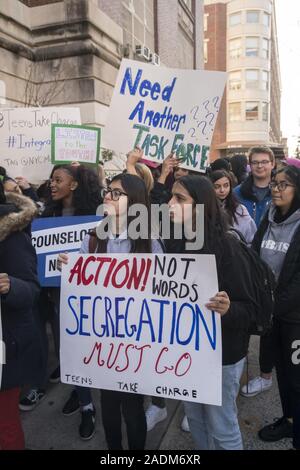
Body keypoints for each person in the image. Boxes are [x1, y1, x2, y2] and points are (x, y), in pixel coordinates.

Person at [59, 173, 164, 449]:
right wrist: (68, 269)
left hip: (136, 343)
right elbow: (80, 288)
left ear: (135, 202)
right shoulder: (92, 240)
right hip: (102, 343)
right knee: (108, 406)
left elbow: (164, 293)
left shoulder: (150, 243)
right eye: (108, 190)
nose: (108, 196)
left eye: (117, 193)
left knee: (132, 409)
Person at [166, 175, 257, 450]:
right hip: (186, 351)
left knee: (222, 426)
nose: (170, 204)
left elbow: (250, 310)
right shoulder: (173, 241)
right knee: (195, 418)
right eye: (171, 196)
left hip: (222, 355)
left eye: (180, 199)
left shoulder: (227, 247)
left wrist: (228, 309)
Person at [20, 164, 103, 441]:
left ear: (75, 185)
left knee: (84, 350)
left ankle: (87, 406)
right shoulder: (44, 216)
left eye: (58, 180)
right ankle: (81, 395)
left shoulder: (95, 217)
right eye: (51, 180)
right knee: (68, 352)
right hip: (56, 297)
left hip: (87, 298)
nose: (52, 184)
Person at [250, 166, 300, 449]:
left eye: (284, 185)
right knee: (282, 373)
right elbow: (255, 259)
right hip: (272, 315)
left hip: (294, 318)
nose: (277, 189)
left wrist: (272, 308)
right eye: (275, 184)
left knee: (297, 380)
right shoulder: (267, 220)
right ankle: (289, 421)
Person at [0, 180, 41, 449]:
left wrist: (10, 286)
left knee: (6, 426)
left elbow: (31, 289)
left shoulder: (11, 237)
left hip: (4, 349)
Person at [234, 146, 275, 397]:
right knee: (245, 320)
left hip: (272, 263)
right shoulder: (238, 193)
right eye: (255, 162)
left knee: (271, 322)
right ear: (250, 166)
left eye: (264, 162)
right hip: (244, 264)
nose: (260, 166)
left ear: (272, 164)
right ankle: (238, 371)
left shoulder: (281, 190)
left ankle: (266, 375)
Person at [210, 170, 256, 244]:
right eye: (217, 187)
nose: (222, 190)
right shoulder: (205, 209)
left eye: (226, 185)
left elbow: (251, 237)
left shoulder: (240, 209)